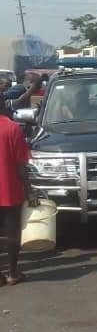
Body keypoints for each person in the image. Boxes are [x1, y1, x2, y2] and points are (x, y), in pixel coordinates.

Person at [0, 98, 38, 286]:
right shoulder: (13, 128)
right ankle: (13, 272)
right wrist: (30, 190)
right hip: (9, 190)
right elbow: (21, 166)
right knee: (12, 232)